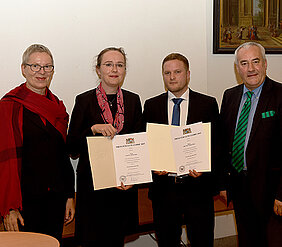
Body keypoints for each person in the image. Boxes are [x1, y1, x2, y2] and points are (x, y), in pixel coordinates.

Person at [67, 47, 143, 247]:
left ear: (125, 70)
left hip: (122, 186)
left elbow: (138, 143)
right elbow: (72, 146)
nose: (114, 69)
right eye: (108, 64)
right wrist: (92, 129)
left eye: (119, 65)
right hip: (93, 189)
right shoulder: (83, 100)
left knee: (116, 241)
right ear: (98, 70)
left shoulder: (133, 100)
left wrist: (133, 177)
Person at [143, 53, 220, 247]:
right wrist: (153, 166)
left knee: (202, 241)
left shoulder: (207, 104)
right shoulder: (151, 105)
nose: (172, 77)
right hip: (164, 189)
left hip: (198, 188)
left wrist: (206, 167)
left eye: (177, 72)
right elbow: (146, 144)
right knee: (167, 242)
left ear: (188, 74)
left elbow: (217, 145)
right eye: (167, 73)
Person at [0, 44, 75, 242]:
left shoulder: (58, 107)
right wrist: (10, 207)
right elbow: (4, 161)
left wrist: (69, 196)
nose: (41, 72)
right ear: (23, 69)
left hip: (55, 201)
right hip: (24, 204)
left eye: (47, 67)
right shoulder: (8, 107)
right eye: (35, 66)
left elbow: (62, 156)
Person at [219, 42, 282, 247]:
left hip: (271, 190)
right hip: (239, 186)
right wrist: (224, 183)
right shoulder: (230, 96)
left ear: (265, 64)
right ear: (238, 69)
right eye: (244, 63)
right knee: (246, 240)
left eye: (255, 62)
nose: (251, 69)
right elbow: (223, 142)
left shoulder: (280, 95)